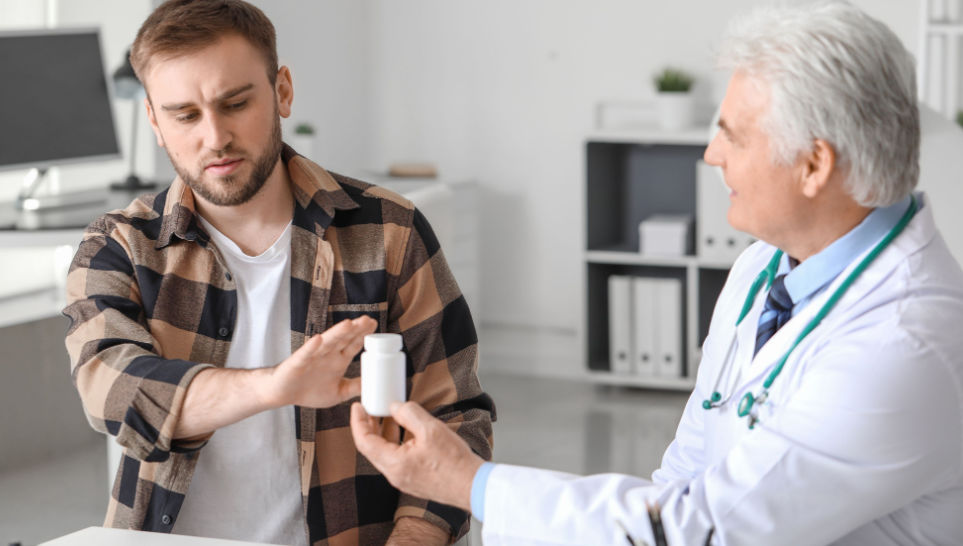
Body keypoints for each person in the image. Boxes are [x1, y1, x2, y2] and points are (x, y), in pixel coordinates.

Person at [351, 1, 963, 544]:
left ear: (814, 166)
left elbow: (699, 530)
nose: (710, 154)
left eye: (732, 135)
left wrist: (469, 483)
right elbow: (686, 471)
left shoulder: (904, 344)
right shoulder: (764, 268)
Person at [62, 0, 494, 544]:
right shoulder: (120, 245)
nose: (214, 137)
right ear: (154, 119)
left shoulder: (391, 231)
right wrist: (276, 386)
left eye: (235, 103)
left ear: (282, 91)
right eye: (185, 115)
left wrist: (412, 538)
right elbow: (111, 390)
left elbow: (456, 416)